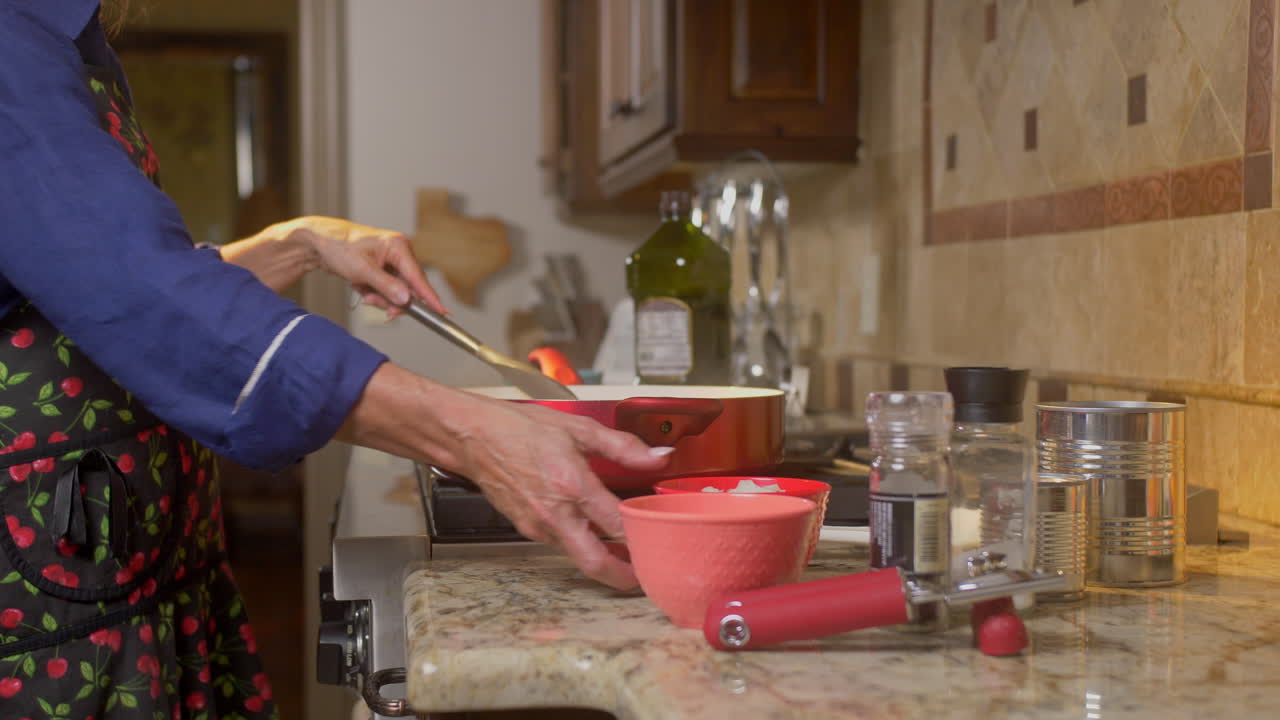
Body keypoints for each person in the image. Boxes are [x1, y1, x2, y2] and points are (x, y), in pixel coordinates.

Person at [0, 0, 669, 716]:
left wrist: (296, 242)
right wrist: (469, 434)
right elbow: (143, 299)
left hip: (135, 582)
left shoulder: (61, 35)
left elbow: (82, 292)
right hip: (53, 627)